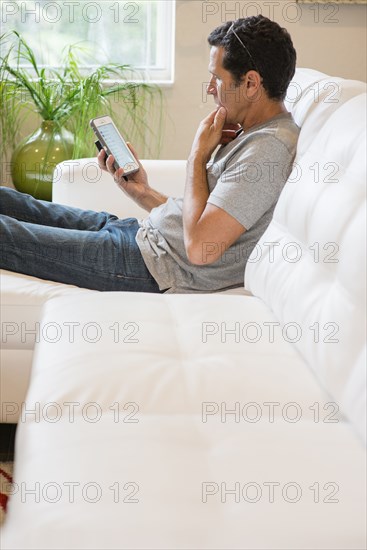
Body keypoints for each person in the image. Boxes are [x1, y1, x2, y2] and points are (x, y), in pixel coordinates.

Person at [0, 15, 299, 294]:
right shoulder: (251, 133)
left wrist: (197, 158)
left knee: (9, 236)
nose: (209, 89)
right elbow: (199, 220)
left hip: (146, 264)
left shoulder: (267, 151)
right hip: (138, 234)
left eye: (217, 78)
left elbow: (199, 247)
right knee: (11, 200)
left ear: (250, 83)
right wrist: (141, 191)